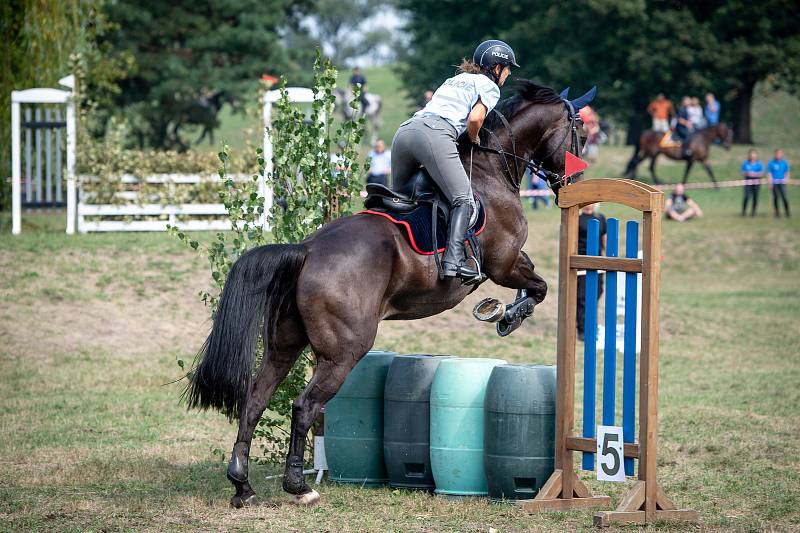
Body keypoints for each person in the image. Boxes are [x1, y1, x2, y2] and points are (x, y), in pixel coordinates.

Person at [391, 39, 518, 282]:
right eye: (508, 68)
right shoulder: (490, 86)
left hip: (405, 133)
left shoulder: (454, 80)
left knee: (398, 200)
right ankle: (454, 261)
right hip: (434, 135)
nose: (509, 73)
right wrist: (474, 138)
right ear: (496, 67)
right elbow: (474, 119)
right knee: (464, 200)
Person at [576, 203, 606, 342]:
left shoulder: (601, 218)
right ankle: (582, 329)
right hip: (582, 261)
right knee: (582, 296)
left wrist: (608, 258)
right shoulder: (577, 218)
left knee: (598, 292)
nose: (590, 204)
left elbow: (604, 238)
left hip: (598, 261)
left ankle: (592, 325)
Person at [741, 148, 765, 216]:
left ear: (756, 155)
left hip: (756, 182)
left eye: (754, 154)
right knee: (746, 196)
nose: (752, 155)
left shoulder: (759, 163)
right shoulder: (746, 163)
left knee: (755, 197)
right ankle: (744, 212)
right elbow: (743, 172)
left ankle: (753, 212)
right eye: (751, 154)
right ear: (749, 155)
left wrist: (755, 174)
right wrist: (747, 173)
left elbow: (762, 173)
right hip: (748, 182)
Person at [768, 149, 791, 217]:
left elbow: (787, 172)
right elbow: (769, 173)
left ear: (782, 154)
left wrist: (787, 179)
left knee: (784, 197)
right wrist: (770, 183)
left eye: (780, 153)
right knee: (776, 198)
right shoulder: (771, 163)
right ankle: (777, 213)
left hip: (782, 183)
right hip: (774, 183)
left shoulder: (784, 163)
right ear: (775, 154)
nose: (778, 155)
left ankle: (787, 212)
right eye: (777, 153)